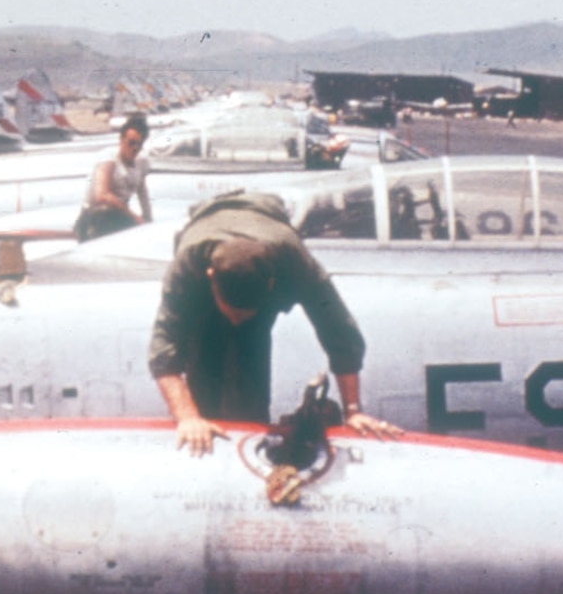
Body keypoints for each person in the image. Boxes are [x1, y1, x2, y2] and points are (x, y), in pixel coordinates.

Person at [149, 191, 401, 454]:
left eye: (244, 315)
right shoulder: (189, 264)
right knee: (203, 372)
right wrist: (188, 417)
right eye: (232, 313)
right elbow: (164, 347)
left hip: (268, 252)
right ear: (210, 278)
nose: (236, 323)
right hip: (206, 279)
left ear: (271, 285)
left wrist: (353, 411)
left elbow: (339, 330)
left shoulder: (294, 262)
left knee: (250, 373)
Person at [75, 113, 153, 241]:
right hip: (96, 218)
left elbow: (143, 193)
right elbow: (102, 195)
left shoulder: (141, 162)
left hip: (119, 216)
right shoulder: (108, 158)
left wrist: (148, 219)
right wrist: (134, 217)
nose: (135, 148)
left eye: (139, 144)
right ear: (121, 140)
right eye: (131, 143)